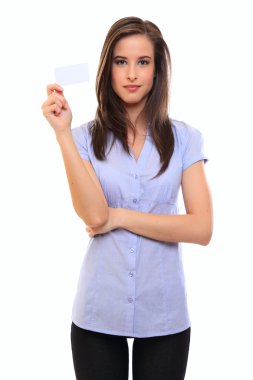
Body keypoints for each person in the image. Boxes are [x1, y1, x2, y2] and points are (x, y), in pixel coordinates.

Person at [41, 16, 213, 380]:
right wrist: (63, 135)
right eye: (122, 62)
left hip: (164, 312)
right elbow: (92, 213)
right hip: (97, 311)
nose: (132, 73)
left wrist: (119, 217)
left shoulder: (185, 139)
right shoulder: (84, 138)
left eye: (143, 62)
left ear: (157, 70)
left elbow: (201, 228)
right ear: (108, 69)